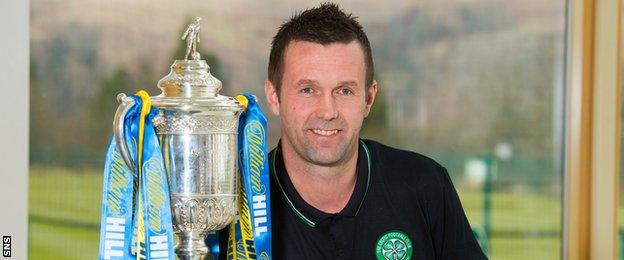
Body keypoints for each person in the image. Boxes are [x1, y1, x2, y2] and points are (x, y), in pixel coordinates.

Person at [222, 3, 487, 259]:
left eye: (344, 91)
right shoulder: (235, 213)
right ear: (274, 96)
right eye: (307, 90)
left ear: (368, 99)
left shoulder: (425, 185)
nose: (328, 111)